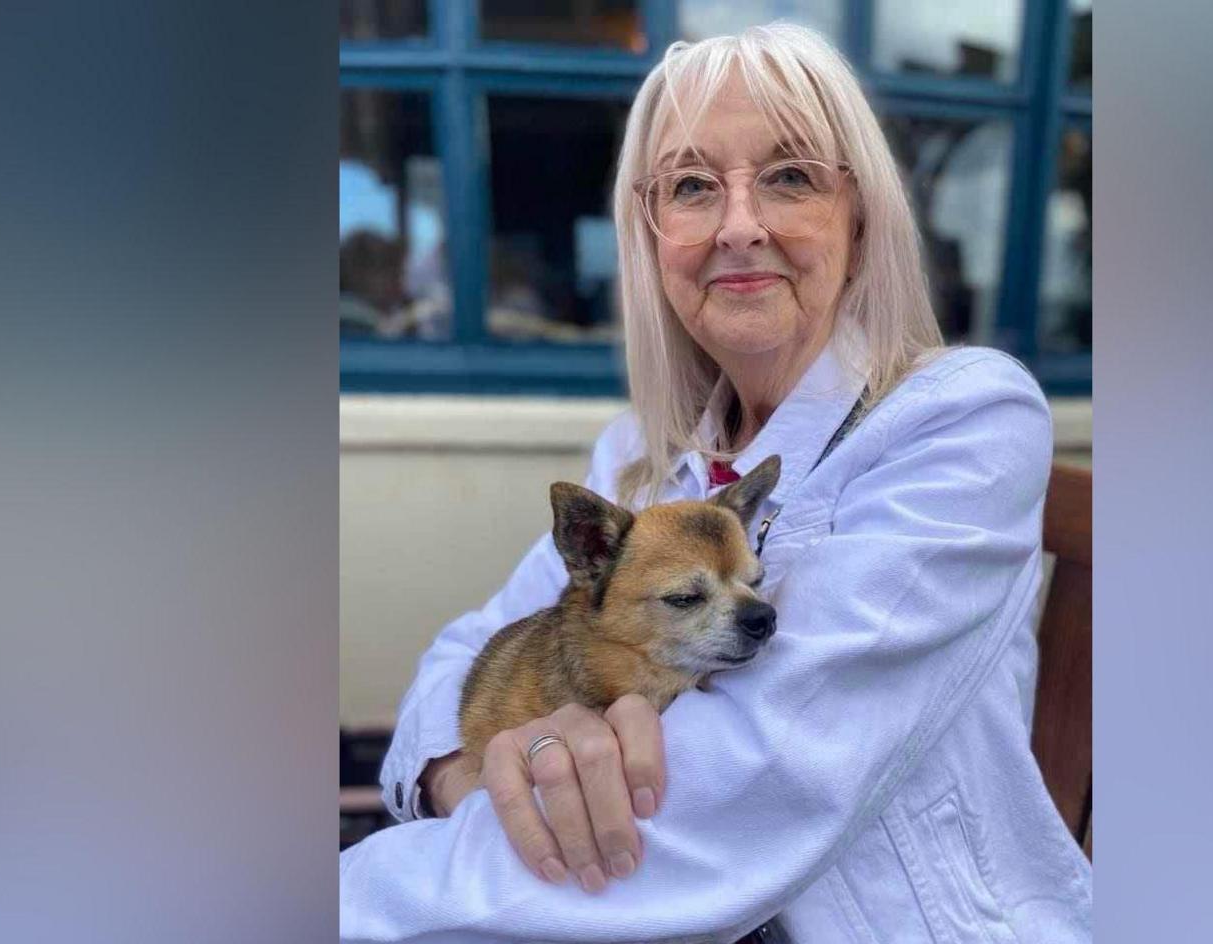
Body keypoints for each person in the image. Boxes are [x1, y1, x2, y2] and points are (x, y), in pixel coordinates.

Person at [341, 24, 1091, 943]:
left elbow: (740, 791)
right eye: (694, 187)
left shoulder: (960, 419)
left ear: (860, 223)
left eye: (791, 176)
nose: (740, 225)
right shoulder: (641, 461)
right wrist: (473, 771)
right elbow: (470, 649)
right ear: (652, 237)